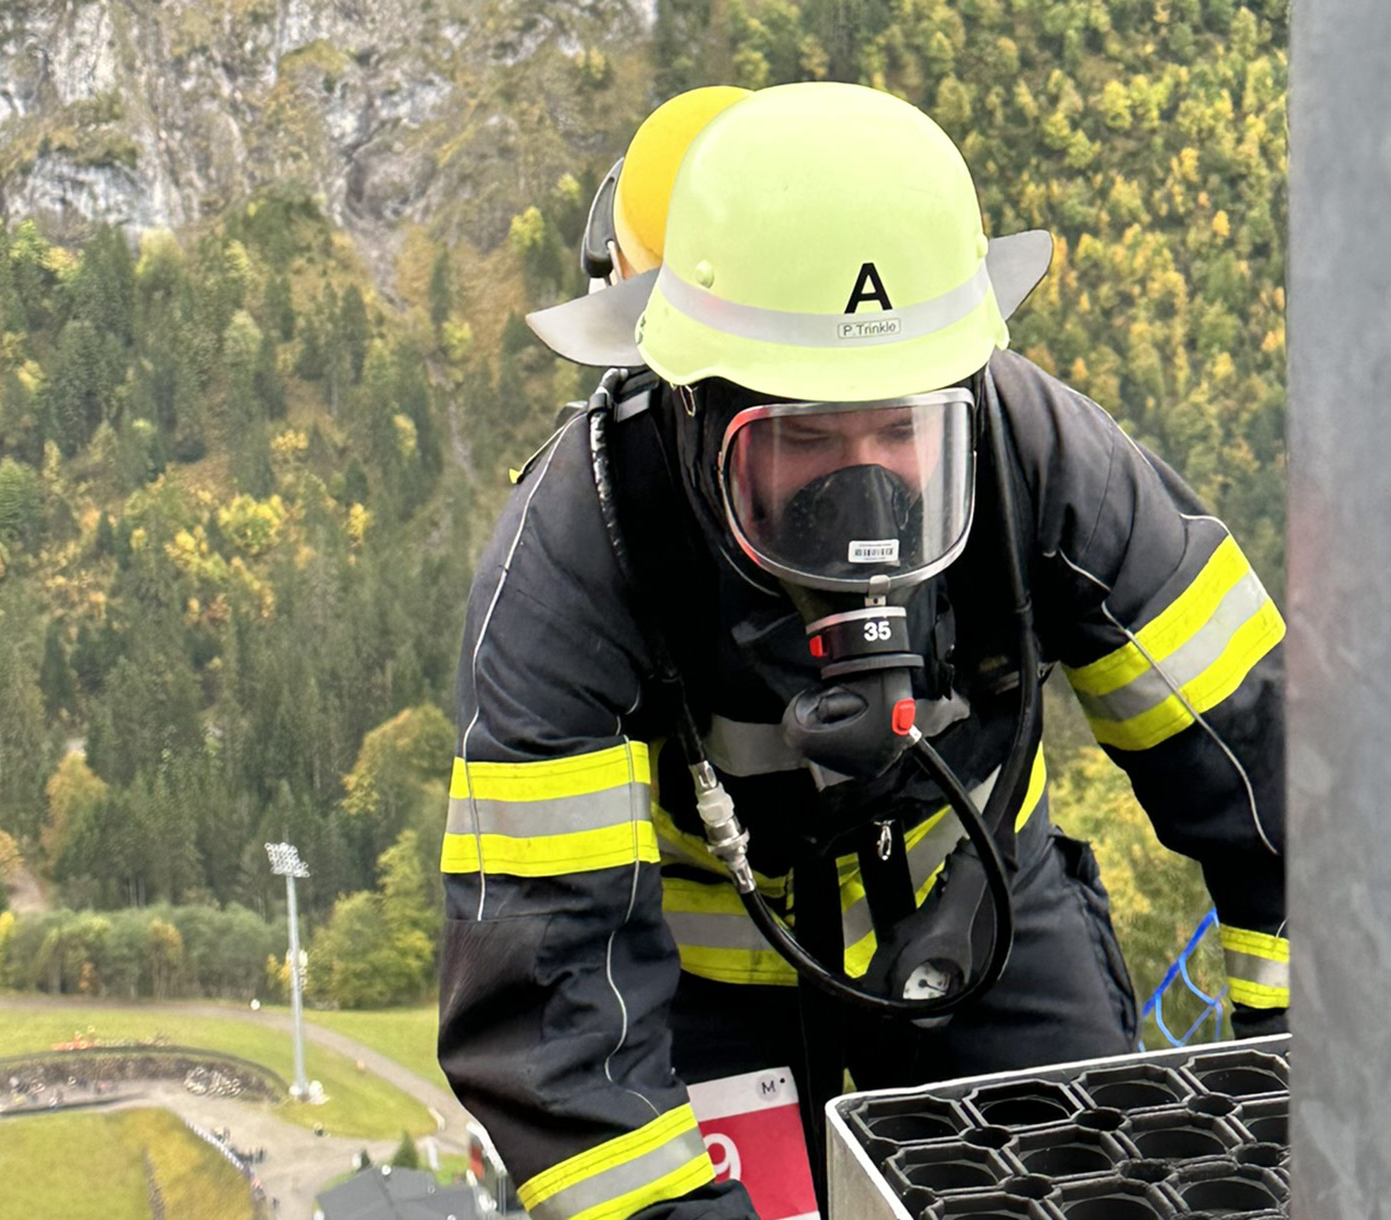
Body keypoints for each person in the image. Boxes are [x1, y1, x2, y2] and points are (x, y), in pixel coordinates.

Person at [437, 82, 1287, 1220]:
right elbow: (546, 1006)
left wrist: (1301, 1069)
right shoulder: (574, 565)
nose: (865, 485)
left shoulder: (1040, 460)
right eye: (803, 438)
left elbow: (1275, 774)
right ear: (691, 407)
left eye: (901, 426)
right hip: (696, 992)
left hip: (974, 903)